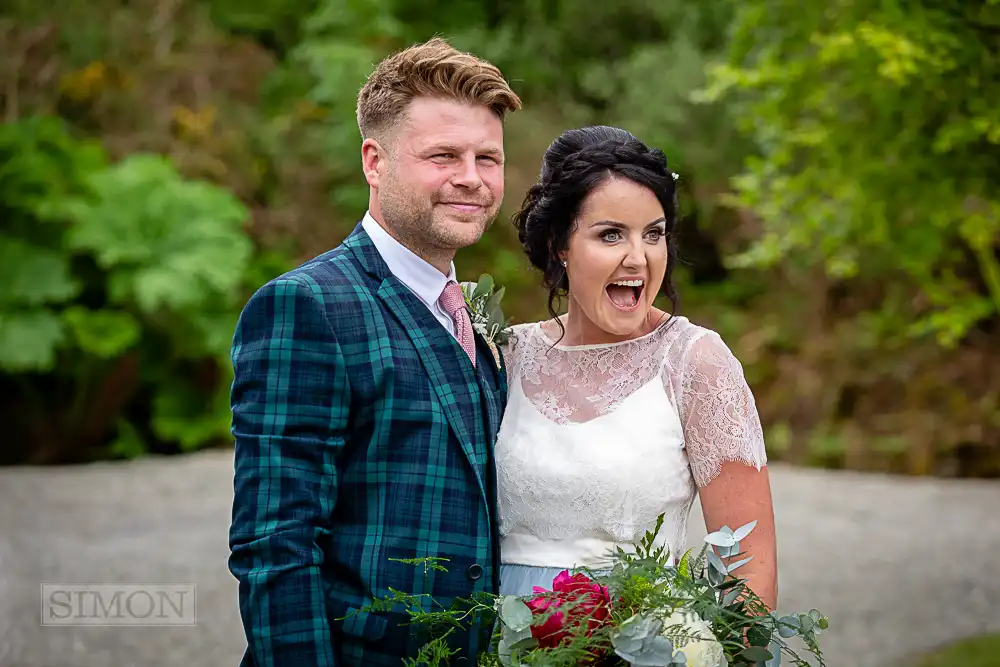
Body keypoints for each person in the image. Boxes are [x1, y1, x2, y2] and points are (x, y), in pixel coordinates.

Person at [227, 38, 522, 667]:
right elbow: (275, 544)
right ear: (374, 161)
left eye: (487, 158)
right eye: (442, 155)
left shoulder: (469, 312)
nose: (471, 177)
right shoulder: (306, 306)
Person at [496, 125, 778, 610]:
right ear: (560, 246)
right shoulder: (505, 356)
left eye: (654, 235)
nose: (638, 259)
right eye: (611, 235)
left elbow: (749, 564)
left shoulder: (695, 362)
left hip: (646, 646)